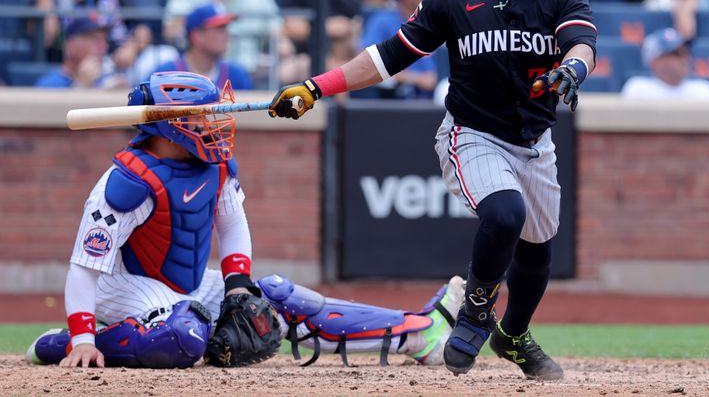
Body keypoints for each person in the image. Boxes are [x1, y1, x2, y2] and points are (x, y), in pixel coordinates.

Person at [269, 0, 598, 381]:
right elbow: (386, 58)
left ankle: (514, 334)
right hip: (473, 134)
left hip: (535, 141)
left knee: (537, 250)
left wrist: (573, 68)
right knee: (505, 212)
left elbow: (582, 43)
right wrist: (316, 87)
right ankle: (476, 311)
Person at [25, 70, 465, 369]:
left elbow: (233, 225)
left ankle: (417, 333)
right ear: (172, 125)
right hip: (123, 288)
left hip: (189, 284)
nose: (214, 121)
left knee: (273, 298)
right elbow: (84, 268)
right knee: (186, 335)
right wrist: (82, 336)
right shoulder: (126, 182)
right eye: (203, 115)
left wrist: (237, 284)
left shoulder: (215, 166)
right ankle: (59, 344)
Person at [359, 0, 438, 99]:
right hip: (394, 97)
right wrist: (416, 79)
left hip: (434, 97)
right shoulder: (383, 20)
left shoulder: (435, 22)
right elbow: (366, 63)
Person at [156, 3, 254, 91]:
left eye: (225, 28)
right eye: (219, 28)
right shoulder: (165, 75)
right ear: (197, 36)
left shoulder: (237, 75)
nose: (227, 35)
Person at [620, 28, 709, 100]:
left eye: (685, 52)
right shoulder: (637, 90)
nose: (684, 58)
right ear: (654, 61)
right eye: (676, 54)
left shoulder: (704, 91)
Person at [35, 14, 119, 88]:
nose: (102, 46)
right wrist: (81, 85)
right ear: (70, 45)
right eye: (94, 39)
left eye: (104, 39)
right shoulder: (50, 85)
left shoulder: (105, 81)